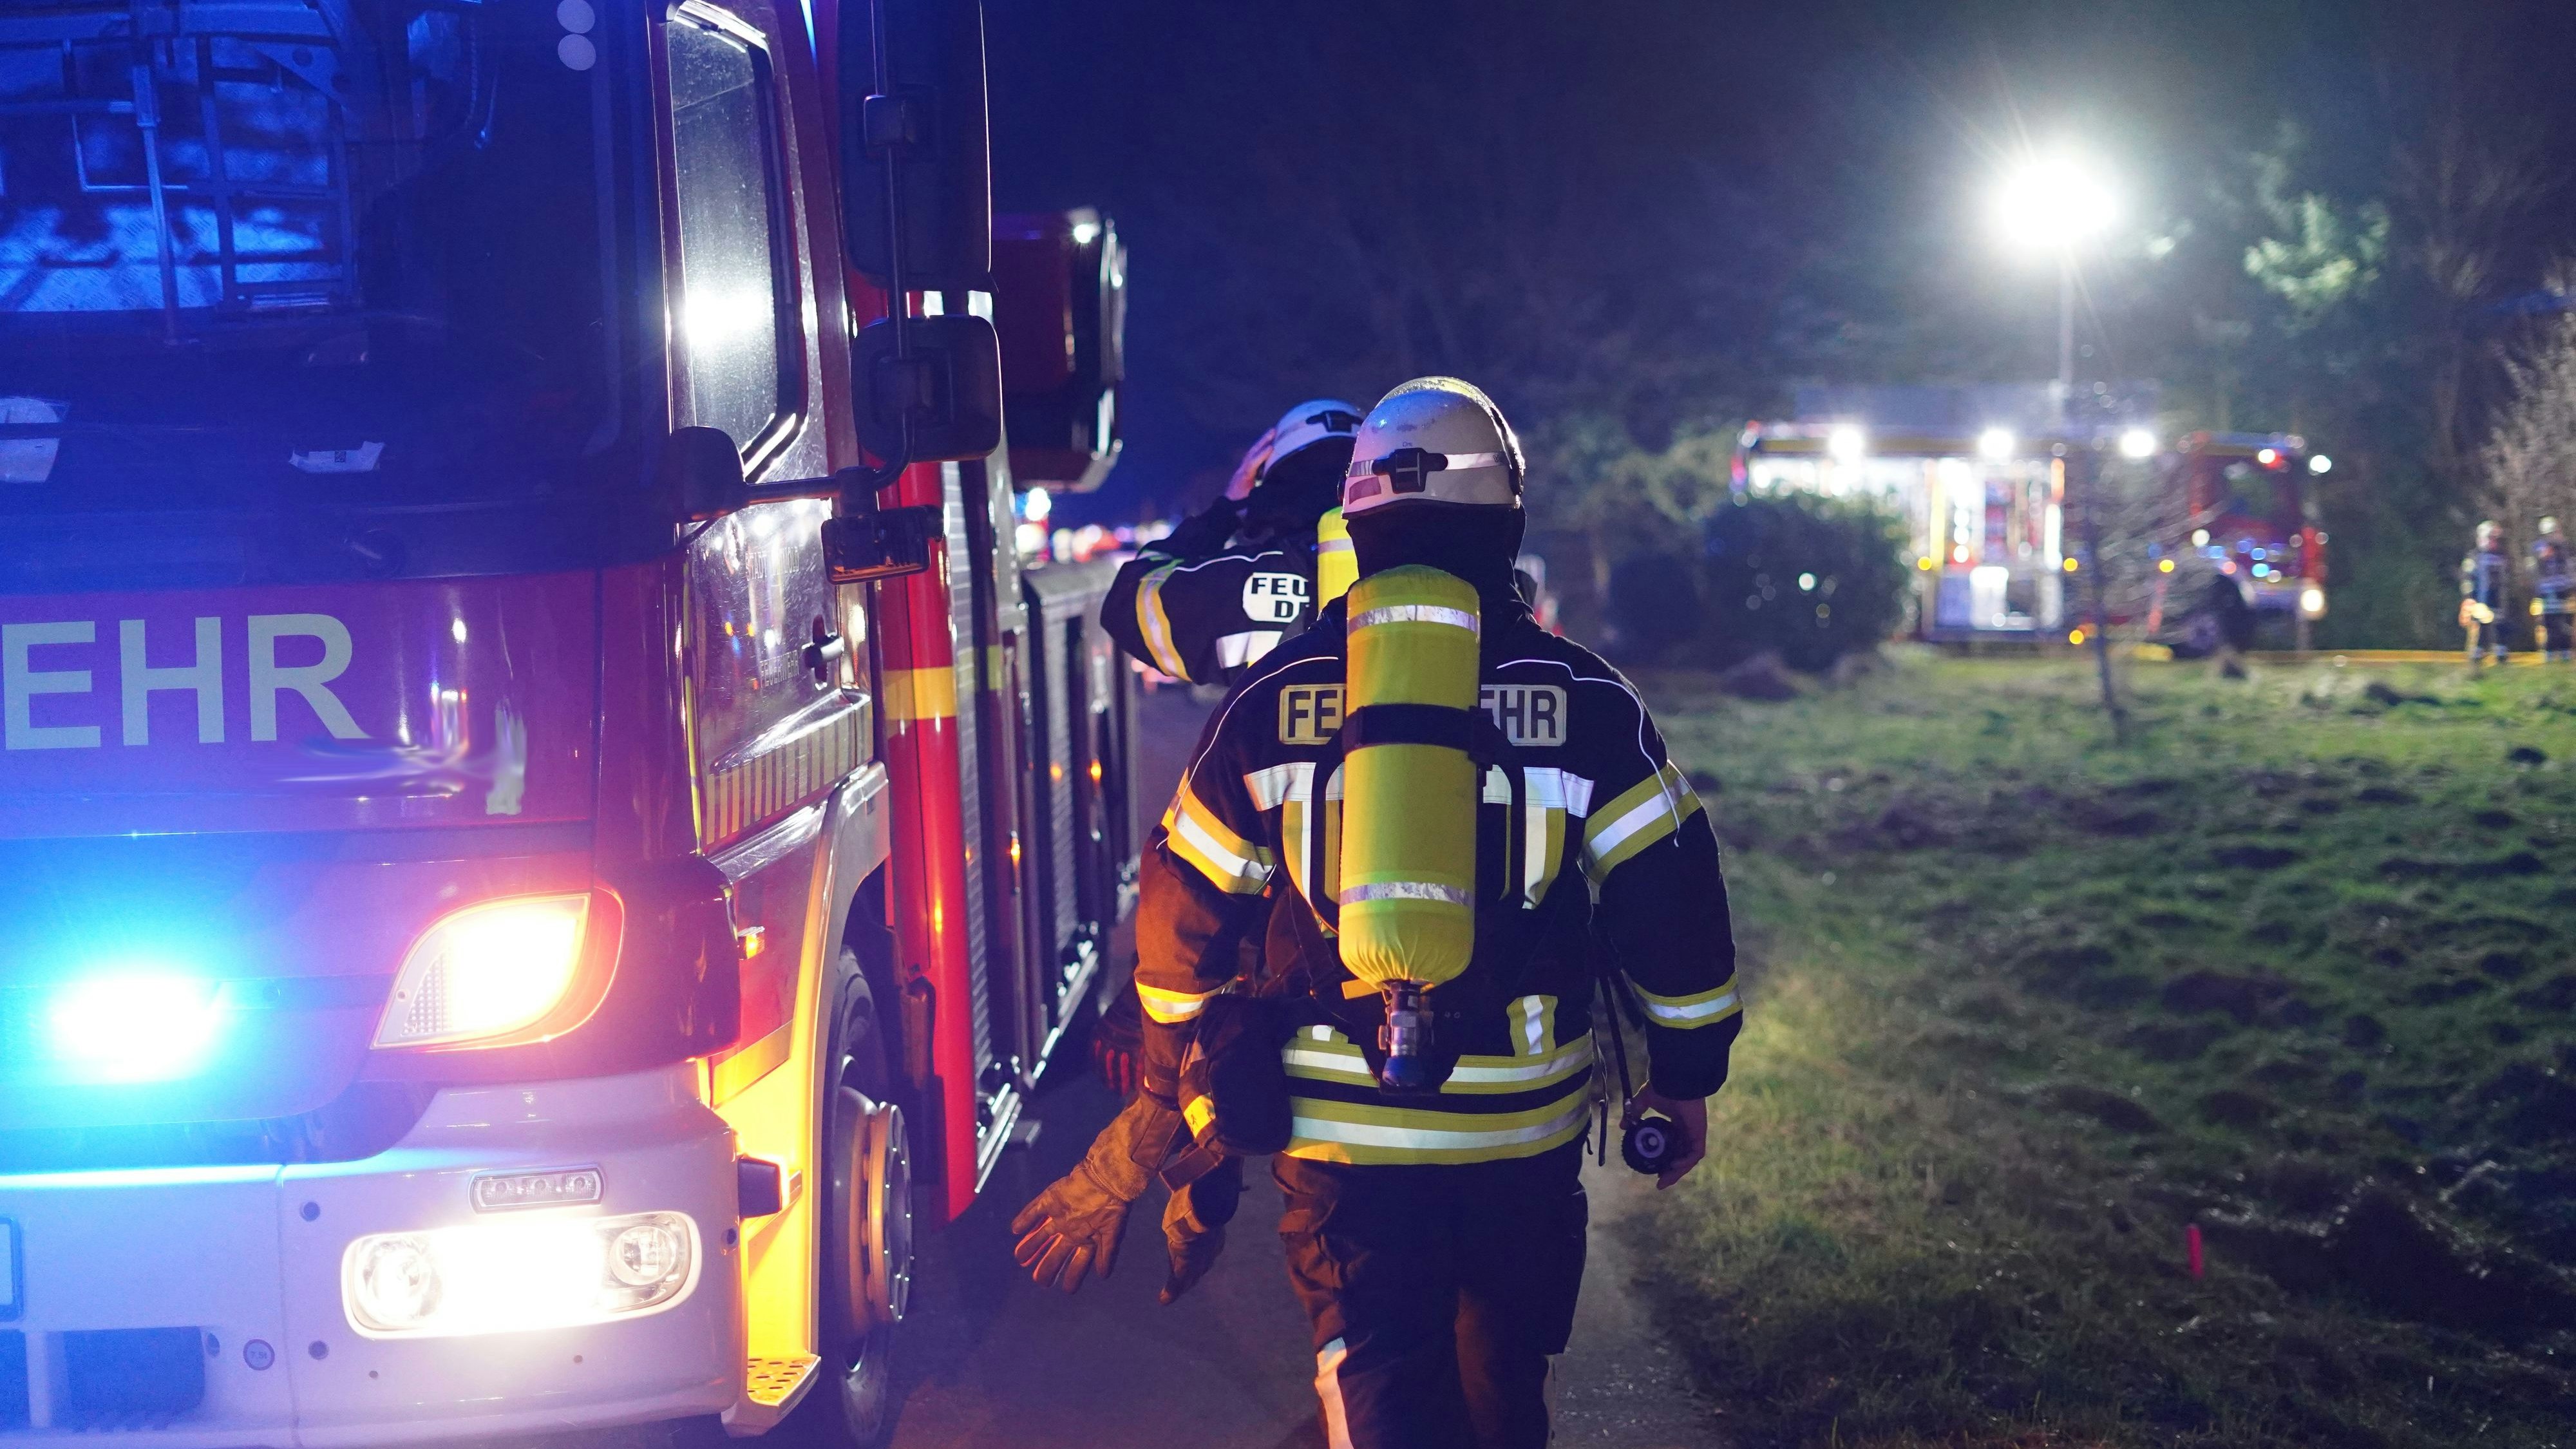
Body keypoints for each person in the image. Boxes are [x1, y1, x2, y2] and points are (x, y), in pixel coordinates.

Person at [1040, 377, 1743, 1448]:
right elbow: (1673, 896)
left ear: (1356, 521)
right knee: (1503, 1389)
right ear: (1508, 517)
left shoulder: (1273, 703)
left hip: (1341, 1149)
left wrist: (1171, 1075)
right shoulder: (1589, 701)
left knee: (1376, 1381)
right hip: (1521, 1132)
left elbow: (1182, 908)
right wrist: (1686, 1076)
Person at [1103, 398, 1365, 689]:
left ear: (1272, 484)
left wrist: (1225, 513)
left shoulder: (1239, 579)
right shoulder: (1419, 571)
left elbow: (1127, 601)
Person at [2461, 520, 2511, 666]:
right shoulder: (2475, 556)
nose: (2494, 542)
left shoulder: (2503, 556)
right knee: (2481, 627)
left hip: (2499, 600)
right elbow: (2468, 577)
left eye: (2496, 539)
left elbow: (2507, 577)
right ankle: (2477, 655)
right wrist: (2469, 597)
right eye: (2491, 538)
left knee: (2500, 626)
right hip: (2480, 599)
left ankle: (2501, 655)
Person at [2207, 554, 2257, 679]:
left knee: (2228, 650)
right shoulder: (2234, 580)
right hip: (2232, 626)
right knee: (2228, 650)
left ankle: (2233, 671)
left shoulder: (2232, 581)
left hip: (2233, 625)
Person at [2533, 516, 2571, 663]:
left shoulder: (2565, 548)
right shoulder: (2540, 548)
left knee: (2565, 622)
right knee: (2549, 623)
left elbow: (2569, 567)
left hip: (2564, 591)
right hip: (2546, 592)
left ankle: (2566, 653)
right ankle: (2549, 653)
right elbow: (2536, 566)